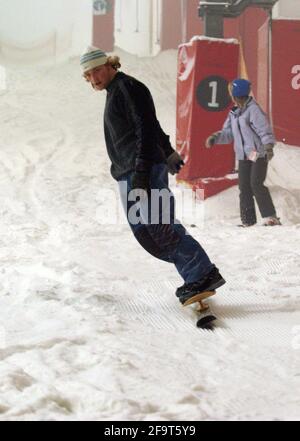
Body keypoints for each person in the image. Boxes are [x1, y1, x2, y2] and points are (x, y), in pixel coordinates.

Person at [80, 46, 225, 306]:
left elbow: (145, 128)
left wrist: (142, 171)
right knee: (147, 232)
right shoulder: (115, 91)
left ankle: (201, 274)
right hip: (129, 173)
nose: (94, 78)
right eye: (88, 75)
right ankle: (196, 273)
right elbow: (151, 125)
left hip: (141, 171)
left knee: (160, 227)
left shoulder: (128, 88)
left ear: (110, 65)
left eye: (97, 70)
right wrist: (167, 151)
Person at [206, 78, 281, 227]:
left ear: (236, 94)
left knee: (256, 184)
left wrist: (268, 146)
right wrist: (215, 137)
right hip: (243, 156)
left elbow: (264, 130)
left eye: (231, 93)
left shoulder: (253, 110)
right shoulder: (234, 112)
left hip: (259, 154)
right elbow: (228, 133)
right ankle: (248, 221)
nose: (231, 96)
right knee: (244, 187)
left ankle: (270, 217)